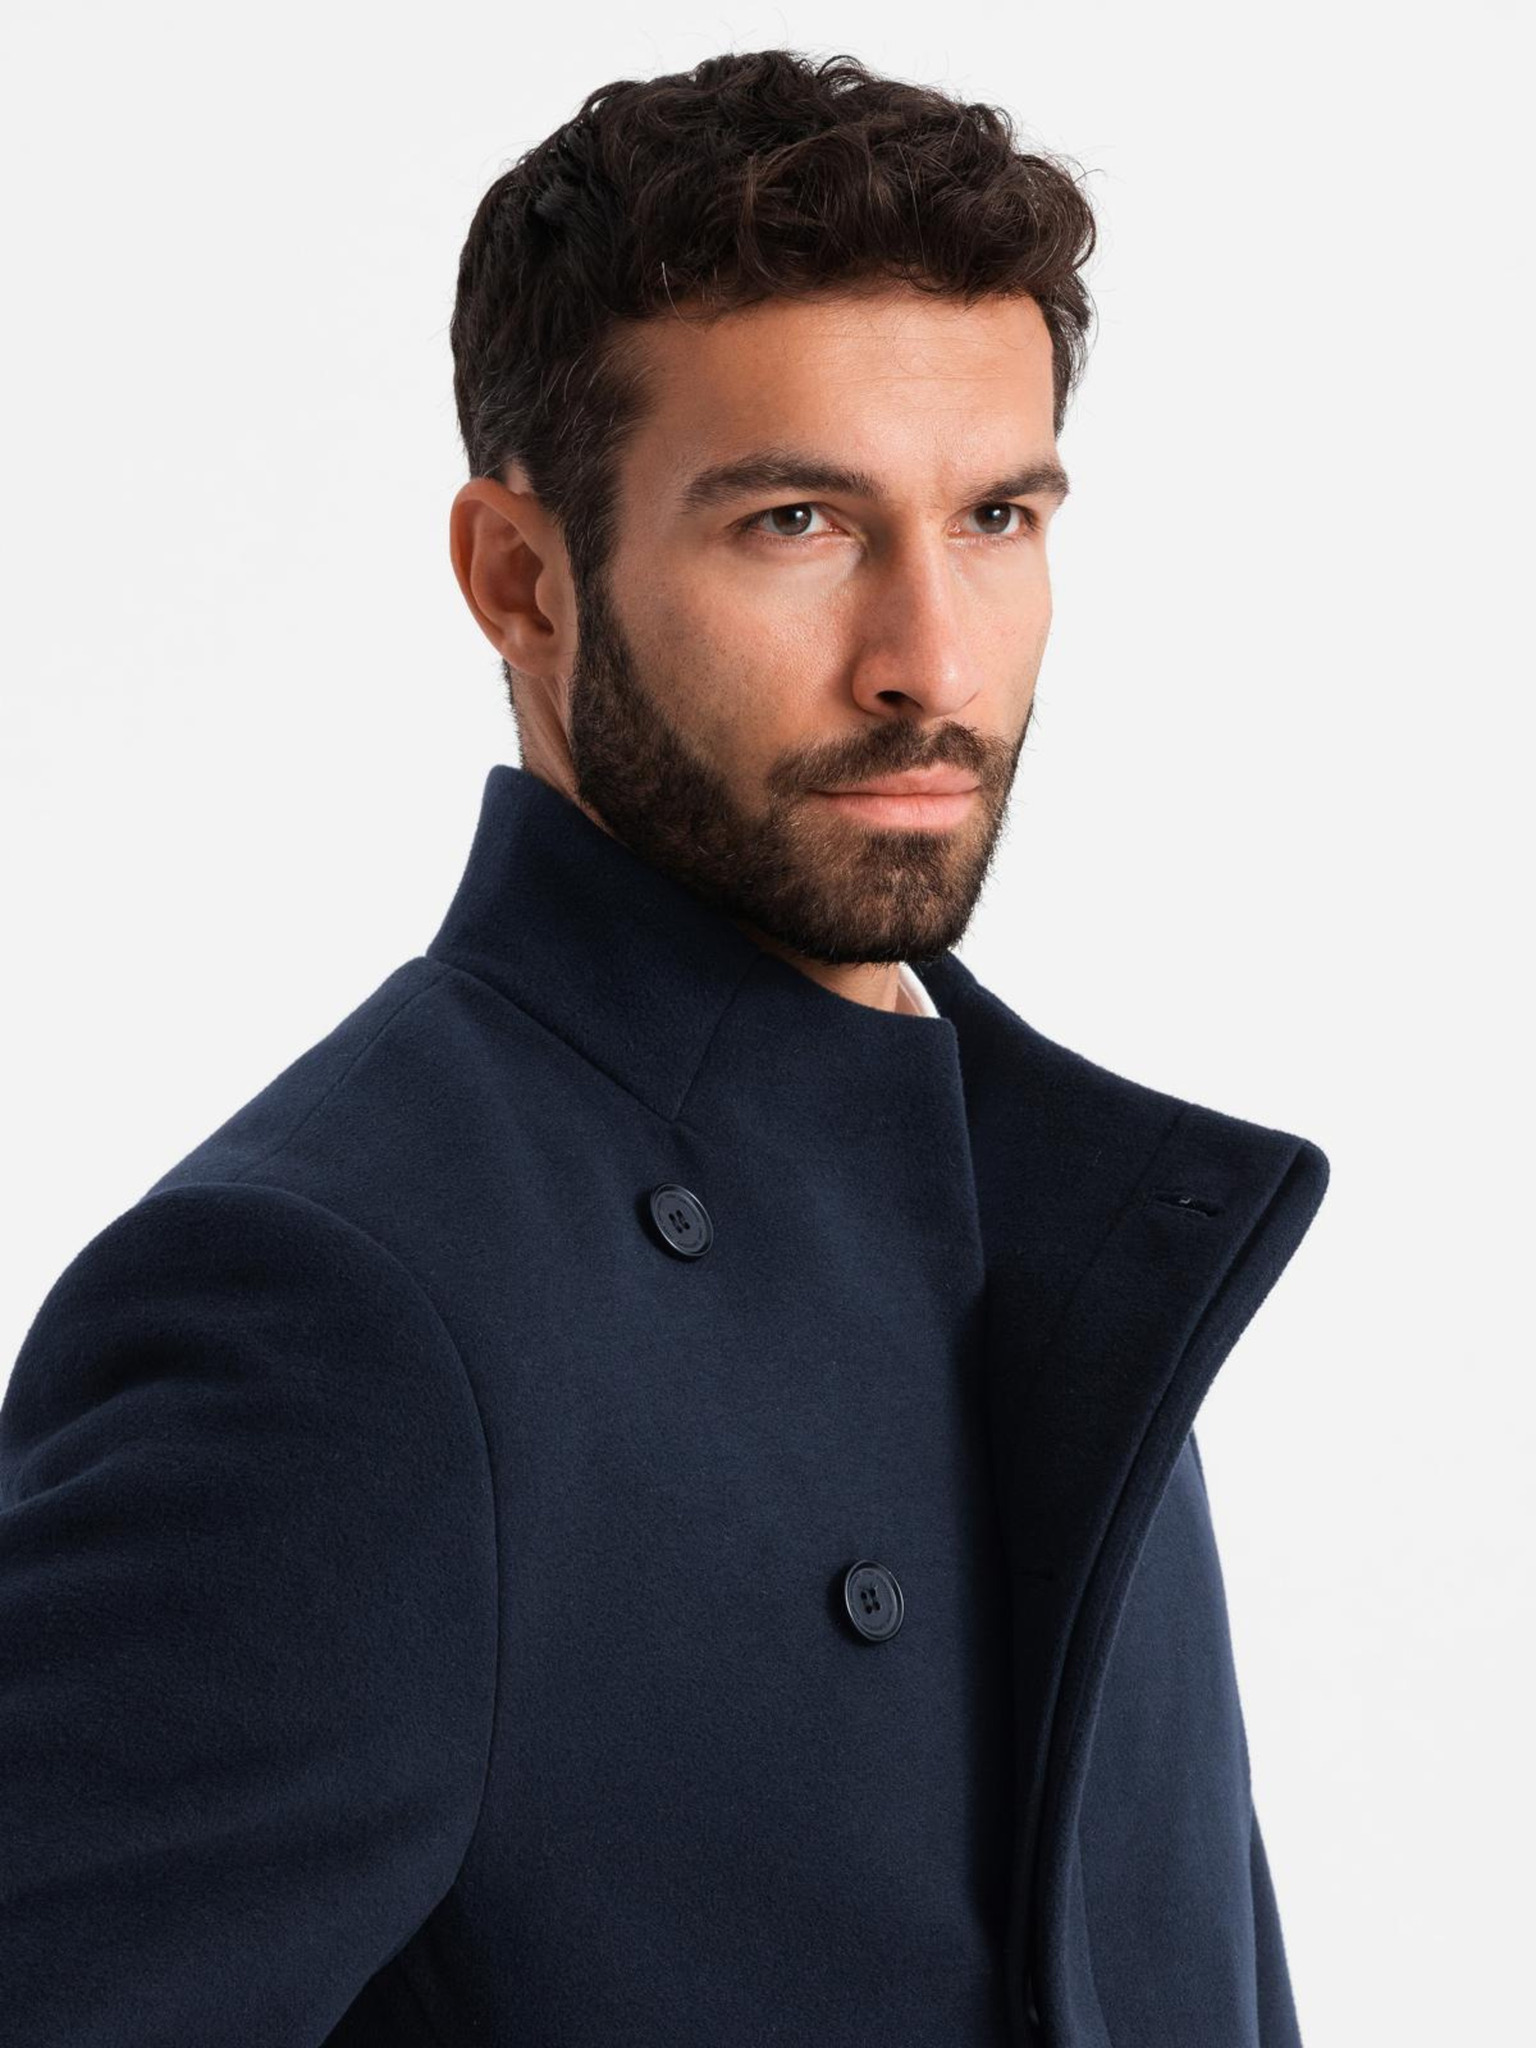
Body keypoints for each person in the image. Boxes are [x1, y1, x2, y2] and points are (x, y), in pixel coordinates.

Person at [0, 47, 1329, 2047]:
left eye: (995, 516)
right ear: (522, 581)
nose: (931, 661)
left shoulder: (1073, 1233)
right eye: (798, 520)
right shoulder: (336, 1309)